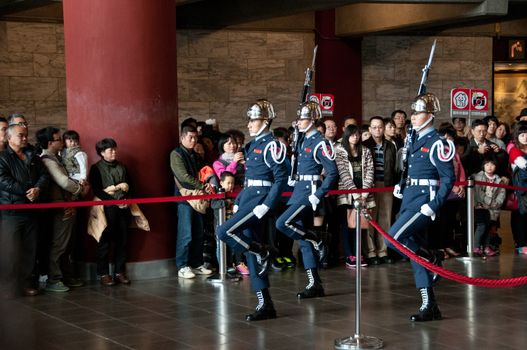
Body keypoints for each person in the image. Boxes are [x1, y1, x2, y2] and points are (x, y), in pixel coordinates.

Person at [217, 99, 288, 321]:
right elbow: (249, 179)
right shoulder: (252, 145)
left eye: (253, 120)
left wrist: (267, 204)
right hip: (248, 198)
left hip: (259, 201)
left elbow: (280, 179)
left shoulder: (272, 145)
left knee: (223, 232)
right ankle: (265, 303)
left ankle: (262, 249)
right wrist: (239, 199)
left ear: (265, 121)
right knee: (250, 253)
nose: (249, 124)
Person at [389, 93, 455, 322]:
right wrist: (400, 185)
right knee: (413, 248)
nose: (413, 117)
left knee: (393, 238)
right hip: (409, 197)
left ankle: (432, 258)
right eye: (413, 113)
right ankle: (430, 304)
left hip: (424, 201)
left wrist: (434, 204)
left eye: (417, 113)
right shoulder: (413, 140)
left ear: (430, 115)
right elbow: (408, 169)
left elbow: (448, 179)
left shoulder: (438, 142)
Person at [275, 101, 338, 299]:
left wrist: (318, 194)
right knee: (302, 240)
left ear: (312, 120)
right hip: (298, 190)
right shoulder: (303, 141)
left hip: (309, 192)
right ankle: (314, 282)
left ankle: (318, 238)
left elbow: (333, 173)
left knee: (283, 222)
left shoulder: (320, 142)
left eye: (302, 118)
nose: (298, 122)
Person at [0, 124, 49, 297]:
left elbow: (44, 175)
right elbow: (4, 180)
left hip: (32, 210)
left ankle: (28, 283)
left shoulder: (32, 155)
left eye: (26, 135)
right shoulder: (3, 158)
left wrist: (38, 189)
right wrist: (27, 190)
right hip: (12, 211)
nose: (25, 138)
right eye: (21, 135)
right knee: (10, 251)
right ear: (9, 138)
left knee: (30, 250)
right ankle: (8, 287)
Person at [36, 127, 84, 292]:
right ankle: (54, 278)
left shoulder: (56, 157)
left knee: (68, 244)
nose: (62, 142)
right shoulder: (46, 159)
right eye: (58, 139)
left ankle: (66, 275)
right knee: (59, 244)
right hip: (59, 206)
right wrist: (79, 189)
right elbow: (63, 181)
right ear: (50, 143)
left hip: (67, 203)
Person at [171, 126, 213, 279]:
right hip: (184, 198)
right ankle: (182, 265)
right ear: (182, 138)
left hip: (198, 197)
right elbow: (182, 176)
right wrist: (202, 186)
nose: (194, 140)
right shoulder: (176, 154)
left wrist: (207, 184)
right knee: (186, 233)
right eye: (190, 137)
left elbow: (205, 171)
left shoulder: (195, 155)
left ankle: (196, 264)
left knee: (198, 232)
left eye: (195, 138)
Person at [89, 138, 132, 286]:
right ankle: (103, 273)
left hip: (123, 207)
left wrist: (125, 200)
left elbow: (129, 185)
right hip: (106, 208)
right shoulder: (96, 168)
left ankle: (119, 272)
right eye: (110, 150)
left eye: (115, 149)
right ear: (102, 153)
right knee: (105, 241)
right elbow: (97, 190)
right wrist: (114, 202)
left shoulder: (122, 166)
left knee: (123, 241)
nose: (114, 152)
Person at [335, 124, 375, 268]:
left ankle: (359, 253)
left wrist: (364, 193)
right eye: (352, 134)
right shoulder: (339, 150)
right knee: (347, 225)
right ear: (346, 135)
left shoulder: (365, 150)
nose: (355, 137)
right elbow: (343, 173)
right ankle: (349, 254)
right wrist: (355, 193)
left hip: (364, 193)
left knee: (360, 225)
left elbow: (370, 171)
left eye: (357, 134)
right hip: (346, 194)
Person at [363, 116, 397, 265]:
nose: (377, 130)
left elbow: (394, 167)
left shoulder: (390, 145)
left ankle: (383, 251)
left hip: (387, 184)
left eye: (380, 127)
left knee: (385, 219)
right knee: (370, 219)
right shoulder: (364, 145)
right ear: (370, 129)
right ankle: (371, 252)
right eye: (374, 127)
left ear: (384, 128)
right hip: (369, 185)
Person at [473, 157, 506, 257]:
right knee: (481, 226)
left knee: (489, 228)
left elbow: (502, 194)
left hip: (493, 209)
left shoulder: (499, 180)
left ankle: (486, 247)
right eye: (487, 164)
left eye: (492, 164)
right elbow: (479, 193)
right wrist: (489, 201)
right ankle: (476, 247)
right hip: (481, 206)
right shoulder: (478, 177)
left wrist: (495, 203)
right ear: (483, 166)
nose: (489, 167)